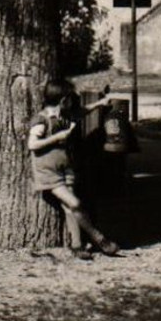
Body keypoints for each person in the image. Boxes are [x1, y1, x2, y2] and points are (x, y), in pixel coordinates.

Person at [27, 79, 120, 260]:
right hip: (49, 173)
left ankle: (77, 246)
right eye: (71, 99)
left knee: (70, 207)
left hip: (66, 168)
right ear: (63, 100)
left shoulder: (65, 115)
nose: (73, 102)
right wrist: (58, 137)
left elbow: (83, 111)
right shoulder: (41, 120)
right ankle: (99, 239)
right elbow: (32, 144)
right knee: (75, 203)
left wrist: (100, 103)